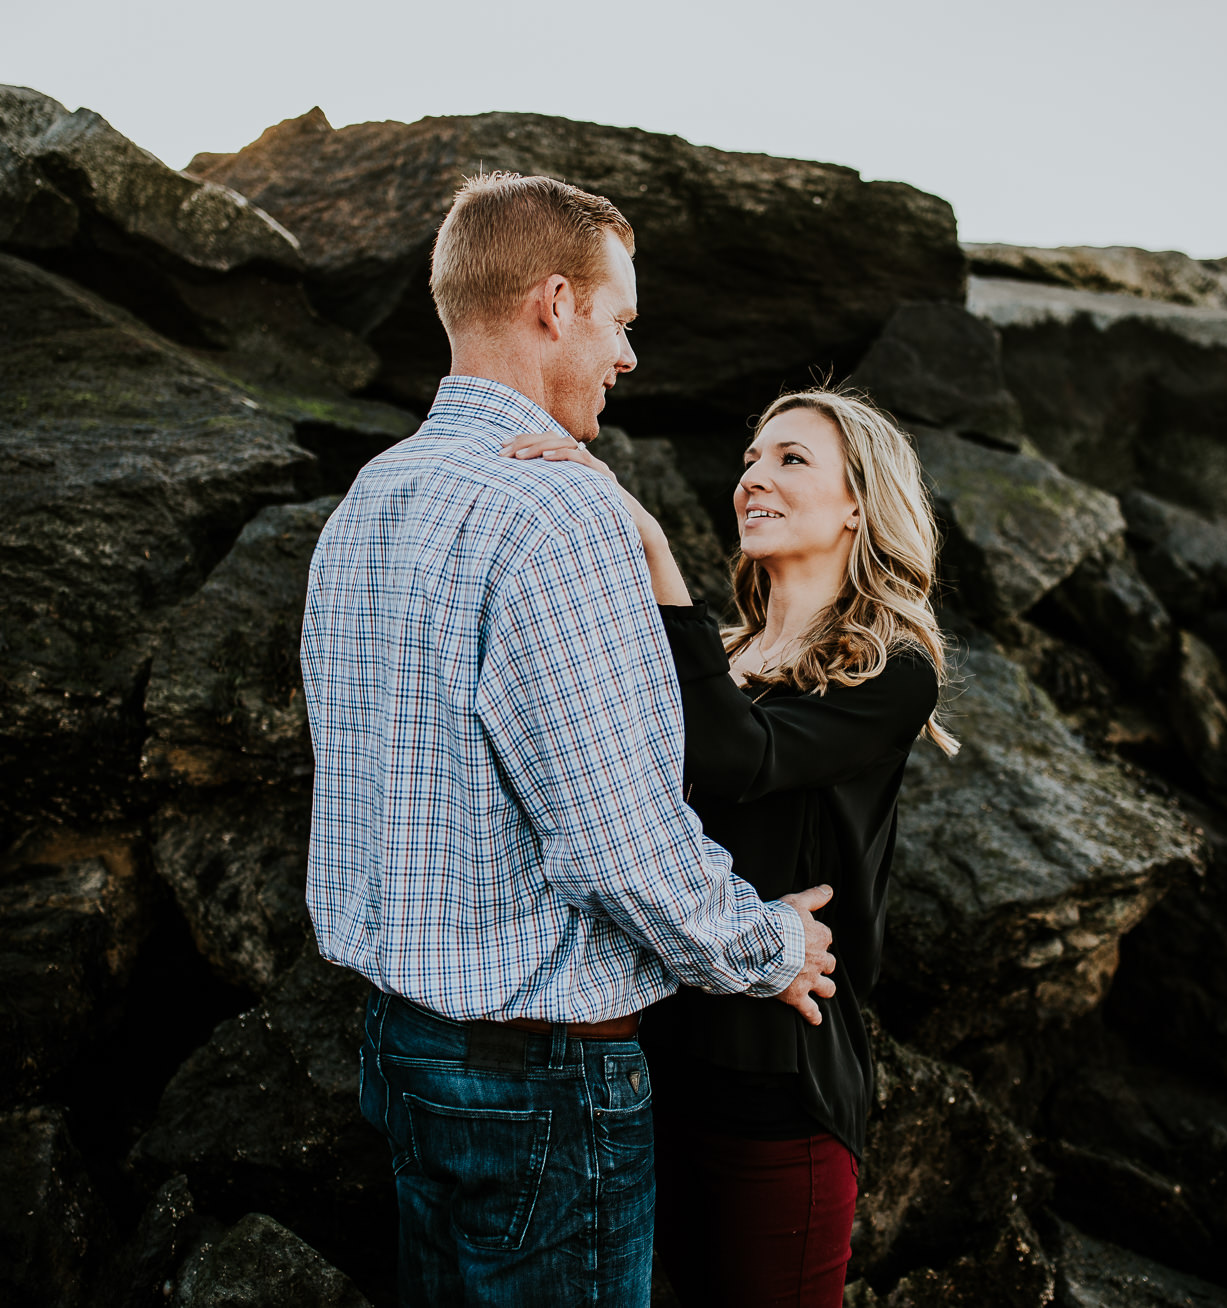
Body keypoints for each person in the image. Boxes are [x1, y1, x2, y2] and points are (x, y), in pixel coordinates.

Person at [300, 171, 839, 1307]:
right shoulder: (556, 509)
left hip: (401, 1050)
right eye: (620, 321)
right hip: (541, 1076)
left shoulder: (370, 497)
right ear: (554, 302)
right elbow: (617, 844)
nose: (628, 358)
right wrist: (766, 945)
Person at [505, 386, 955, 1307]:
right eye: (752, 458)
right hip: (652, 1061)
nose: (755, 477)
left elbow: (740, 757)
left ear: (860, 504)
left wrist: (649, 546)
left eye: (793, 459)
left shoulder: (892, 670)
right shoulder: (721, 651)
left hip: (776, 1091)